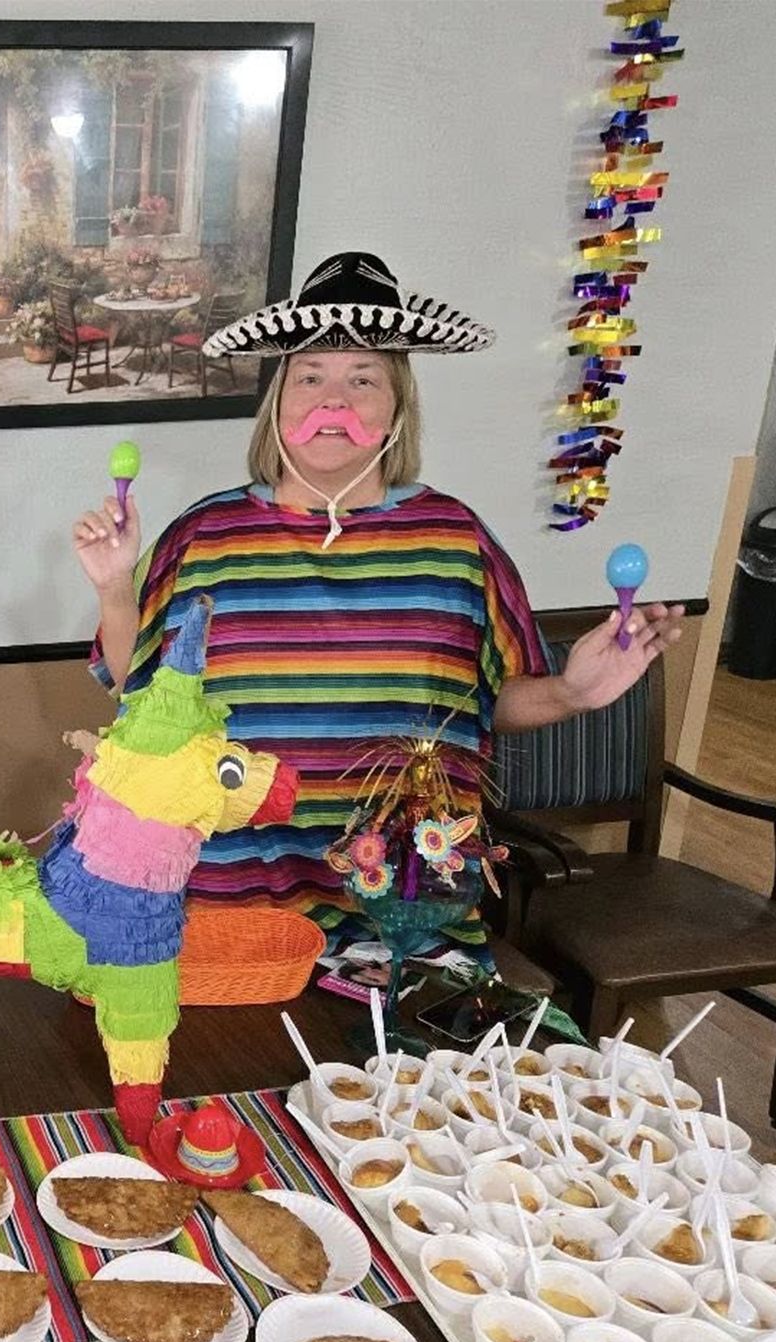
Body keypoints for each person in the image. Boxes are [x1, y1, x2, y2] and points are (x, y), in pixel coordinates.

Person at [73, 252, 684, 955]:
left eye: (363, 379)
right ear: (278, 404)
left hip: (405, 918)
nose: (332, 401)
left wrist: (573, 692)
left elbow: (490, 703)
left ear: (397, 406)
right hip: (224, 909)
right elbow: (139, 694)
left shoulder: (456, 540)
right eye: (310, 377)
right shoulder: (202, 535)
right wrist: (113, 588)